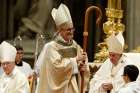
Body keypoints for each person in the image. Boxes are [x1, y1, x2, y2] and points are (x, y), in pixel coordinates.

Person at [35, 3, 90, 93]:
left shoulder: (75, 46)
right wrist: (75, 60)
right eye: (68, 29)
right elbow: (56, 69)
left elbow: (82, 68)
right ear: (60, 30)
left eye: (72, 29)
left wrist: (81, 67)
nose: (71, 32)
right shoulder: (51, 47)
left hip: (73, 87)